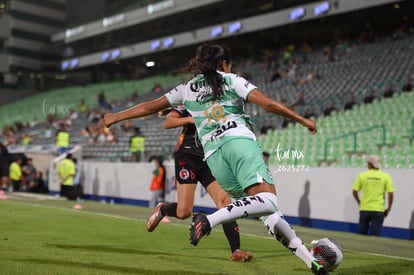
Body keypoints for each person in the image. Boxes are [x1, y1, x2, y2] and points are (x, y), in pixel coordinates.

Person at [103, 44, 326, 274]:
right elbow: (268, 104)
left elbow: (151, 106)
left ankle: (311, 261)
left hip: (214, 158)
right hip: (239, 145)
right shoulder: (230, 80)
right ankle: (208, 220)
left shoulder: (187, 89)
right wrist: (302, 119)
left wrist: (116, 116)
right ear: (223, 64)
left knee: (267, 213)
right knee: (268, 200)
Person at [146, 106, 252, 262]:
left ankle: (236, 250)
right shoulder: (191, 102)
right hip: (188, 156)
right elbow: (168, 122)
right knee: (183, 212)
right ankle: (164, 209)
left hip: (210, 159)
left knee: (225, 202)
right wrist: (191, 119)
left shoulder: (223, 106)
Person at [352, 154, 395, 236]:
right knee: (375, 236)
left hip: (364, 208)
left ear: (369, 164)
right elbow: (391, 194)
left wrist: (359, 202)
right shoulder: (386, 176)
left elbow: (354, 191)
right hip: (378, 210)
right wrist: (389, 208)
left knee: (361, 236)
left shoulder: (362, 176)